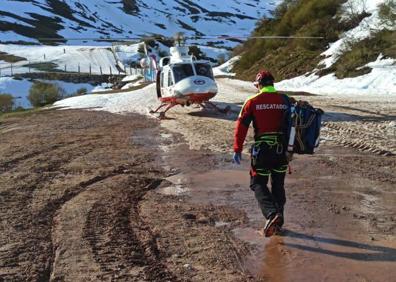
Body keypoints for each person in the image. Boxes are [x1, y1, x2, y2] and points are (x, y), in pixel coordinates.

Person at [232, 70, 293, 237]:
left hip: (263, 152)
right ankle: (278, 222)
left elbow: (241, 127)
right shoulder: (285, 100)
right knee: (278, 185)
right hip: (282, 152)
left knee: (257, 184)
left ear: (258, 85)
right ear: (272, 84)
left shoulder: (253, 101)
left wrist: (237, 148)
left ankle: (272, 214)